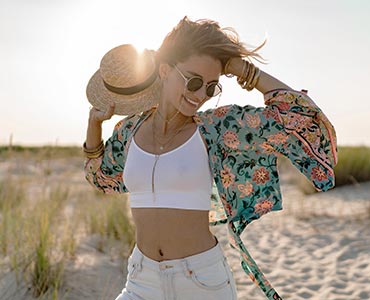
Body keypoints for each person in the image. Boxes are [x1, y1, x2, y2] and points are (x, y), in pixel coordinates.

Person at [83, 17, 337, 300]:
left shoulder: (218, 128)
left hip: (201, 283)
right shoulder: (129, 131)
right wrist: (94, 126)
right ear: (165, 70)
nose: (200, 95)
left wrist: (242, 70)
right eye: (193, 81)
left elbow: (302, 119)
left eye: (211, 87)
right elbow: (101, 178)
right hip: (142, 280)